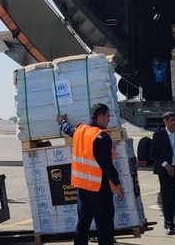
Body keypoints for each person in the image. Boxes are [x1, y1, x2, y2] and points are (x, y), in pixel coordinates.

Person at [56, 104, 124, 245]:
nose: (109, 120)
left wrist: (61, 121)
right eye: (108, 116)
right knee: (104, 226)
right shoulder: (101, 137)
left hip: (82, 188)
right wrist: (117, 184)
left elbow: (68, 129)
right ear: (100, 117)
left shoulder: (80, 130)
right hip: (99, 188)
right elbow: (107, 165)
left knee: (83, 224)